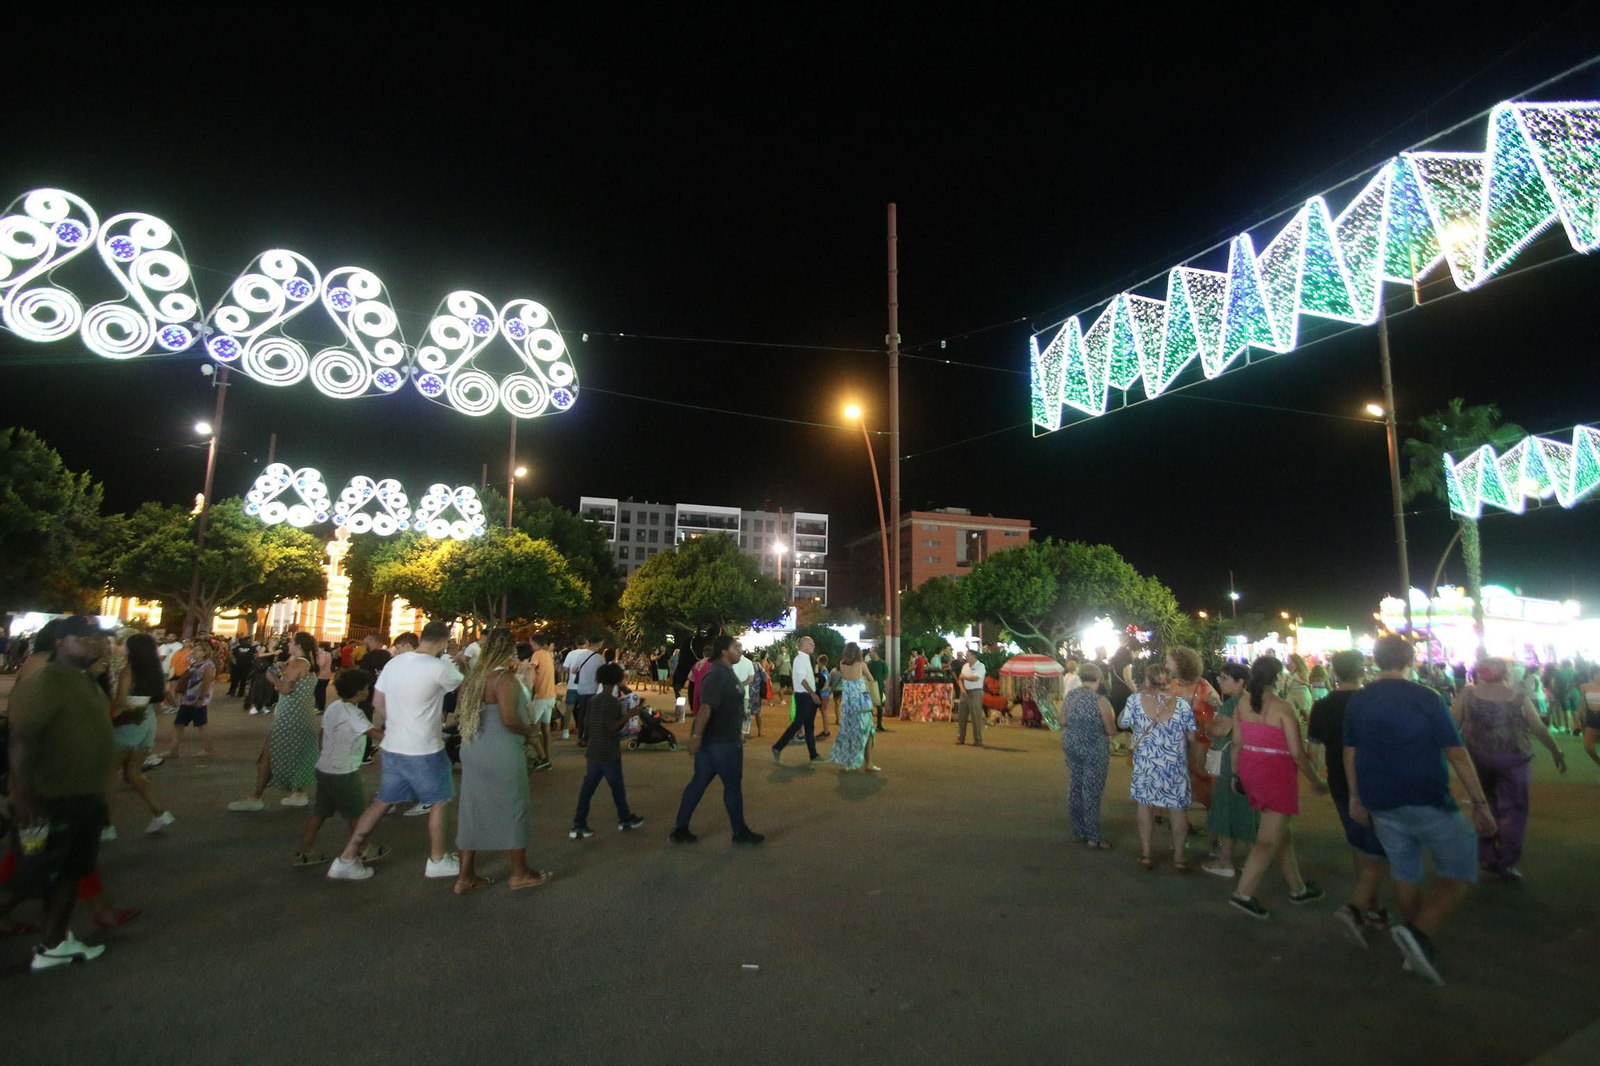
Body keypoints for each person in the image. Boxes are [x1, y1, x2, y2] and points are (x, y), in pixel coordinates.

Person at [1344, 635, 1497, 985]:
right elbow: (1456, 752)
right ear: (1410, 658)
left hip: (1379, 800)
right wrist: (1480, 803)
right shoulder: (1427, 698)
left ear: (1376, 659)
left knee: (1405, 869)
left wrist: (1356, 797)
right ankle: (1418, 933)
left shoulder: (1360, 700)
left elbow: (1349, 752)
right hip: (1426, 797)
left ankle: (1412, 945)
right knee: (1460, 866)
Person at [0, 616, 118, 969]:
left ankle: (53, 943)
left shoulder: (87, 682)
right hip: (51, 800)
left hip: (85, 798)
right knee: (30, 876)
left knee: (69, 874)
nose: (96, 644)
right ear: (59, 643)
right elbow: (21, 744)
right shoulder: (43, 684)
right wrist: (23, 797)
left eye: (98, 638)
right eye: (84, 638)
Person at [327, 621, 467, 881]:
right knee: (439, 799)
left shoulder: (395, 663)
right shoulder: (440, 668)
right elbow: (467, 688)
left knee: (383, 801)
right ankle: (437, 859)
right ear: (444, 642)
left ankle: (347, 857)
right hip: (424, 748)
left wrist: (397, 723)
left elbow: (378, 702)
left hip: (393, 745)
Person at [449, 628, 552, 892]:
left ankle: (465, 876)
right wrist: (531, 732)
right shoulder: (502, 679)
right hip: (501, 749)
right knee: (514, 806)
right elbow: (509, 719)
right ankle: (519, 872)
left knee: (472, 808)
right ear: (508, 650)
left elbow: (460, 713)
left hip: (474, 747)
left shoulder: (471, 679)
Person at [1229, 656, 1326, 918]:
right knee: (1268, 839)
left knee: (1281, 832)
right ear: (1278, 677)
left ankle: (1298, 888)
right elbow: (1297, 752)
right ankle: (1243, 894)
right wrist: (1316, 780)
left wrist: (1235, 775)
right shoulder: (1282, 707)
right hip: (1276, 773)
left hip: (1251, 768)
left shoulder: (1243, 703)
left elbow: (1237, 743)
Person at [1450, 657, 1565, 879]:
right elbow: (1539, 728)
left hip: (1477, 757)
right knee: (1514, 810)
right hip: (1514, 758)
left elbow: (1453, 724)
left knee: (1483, 802)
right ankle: (1507, 861)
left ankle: (1486, 854)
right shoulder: (1518, 696)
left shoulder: (1468, 693)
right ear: (1505, 673)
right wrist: (1556, 752)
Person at [1305, 650, 1391, 942]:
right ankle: (1364, 907)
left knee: (1359, 844)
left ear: (1333, 672)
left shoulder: (1322, 706)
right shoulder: (1372, 702)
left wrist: (1315, 779)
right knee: (1381, 848)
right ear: (1363, 671)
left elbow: (1312, 750)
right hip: (1376, 781)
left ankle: (1371, 906)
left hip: (1340, 782)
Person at [672, 636, 763, 845]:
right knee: (731, 786)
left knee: (699, 783)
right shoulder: (718, 674)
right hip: (722, 742)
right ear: (724, 651)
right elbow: (706, 707)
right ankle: (739, 833)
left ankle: (681, 829)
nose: (740, 650)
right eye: (736, 647)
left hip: (717, 741)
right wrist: (695, 736)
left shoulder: (724, 672)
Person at [293, 669, 387, 867]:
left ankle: (303, 851)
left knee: (319, 813)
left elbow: (322, 733)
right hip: (343, 771)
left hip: (325, 767)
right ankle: (362, 850)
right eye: (366, 688)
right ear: (359, 691)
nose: (368, 691)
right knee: (355, 814)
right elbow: (374, 734)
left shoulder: (334, 706)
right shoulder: (355, 714)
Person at [228, 632, 318, 810]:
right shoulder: (308, 663)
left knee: (267, 756)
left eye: (292, 642)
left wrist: (274, 679)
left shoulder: (297, 663)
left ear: (299, 645)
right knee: (297, 754)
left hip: (289, 717)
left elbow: (285, 689)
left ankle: (256, 796)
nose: (288, 645)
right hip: (302, 715)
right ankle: (298, 791)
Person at [1120, 663, 1197, 871]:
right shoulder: (1182, 704)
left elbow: (1123, 723)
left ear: (1147, 680)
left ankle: (1147, 854)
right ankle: (1179, 858)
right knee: (1178, 810)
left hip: (1146, 764)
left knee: (1145, 807)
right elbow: (1191, 735)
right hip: (1174, 764)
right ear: (1169, 681)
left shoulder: (1135, 701)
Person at [107, 634, 174, 838]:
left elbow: (119, 704)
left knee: (109, 777)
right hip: (148, 720)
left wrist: (106, 718)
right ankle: (159, 812)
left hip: (130, 722)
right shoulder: (155, 670)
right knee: (132, 773)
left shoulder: (129, 671)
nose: (120, 647)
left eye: (124, 644)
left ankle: (106, 825)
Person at [569, 661, 646, 841]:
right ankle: (624, 818)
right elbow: (611, 727)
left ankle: (579, 823)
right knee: (617, 786)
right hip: (608, 751)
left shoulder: (594, 701)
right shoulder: (612, 702)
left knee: (588, 789)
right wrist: (629, 715)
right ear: (618, 680)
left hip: (594, 750)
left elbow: (588, 722)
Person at [1202, 662, 1259, 878]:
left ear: (1241, 681)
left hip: (1231, 761)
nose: (1220, 681)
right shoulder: (1253, 701)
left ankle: (1225, 860)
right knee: (1246, 811)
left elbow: (1220, 729)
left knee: (1227, 808)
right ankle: (1253, 861)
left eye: (1225, 678)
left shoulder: (1232, 704)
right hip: (1251, 760)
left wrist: (1208, 726)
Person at [1061, 663, 1118, 847]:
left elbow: (1062, 720)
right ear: (1099, 679)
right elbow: (1111, 730)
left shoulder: (1071, 696)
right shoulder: (1101, 701)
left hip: (1072, 744)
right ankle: (1093, 836)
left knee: (1076, 786)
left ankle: (1078, 830)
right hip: (1094, 749)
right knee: (1091, 790)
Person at [1167, 647, 1220, 812]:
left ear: (1181, 664)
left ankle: (1212, 811)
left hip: (1199, 739)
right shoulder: (1172, 684)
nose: (1166, 665)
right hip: (1177, 737)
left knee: (1200, 772)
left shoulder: (1204, 688)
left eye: (1169, 662)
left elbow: (1219, 709)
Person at [827, 643, 879, 772]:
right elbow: (871, 679)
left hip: (848, 703)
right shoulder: (861, 665)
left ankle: (848, 762)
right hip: (862, 701)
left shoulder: (842, 665)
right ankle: (869, 762)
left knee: (848, 731)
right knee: (868, 731)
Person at [771, 635, 822, 765]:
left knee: (808, 725)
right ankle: (778, 747)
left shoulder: (806, 659)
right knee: (799, 724)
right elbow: (802, 680)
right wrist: (813, 694)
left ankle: (814, 755)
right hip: (804, 696)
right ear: (804, 645)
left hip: (807, 695)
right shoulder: (800, 659)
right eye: (811, 644)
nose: (813, 646)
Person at [163, 640, 217, 758]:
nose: (194, 652)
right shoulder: (194, 664)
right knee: (179, 724)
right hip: (187, 699)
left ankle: (209, 748)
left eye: (197, 650)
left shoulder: (208, 666)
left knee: (201, 725)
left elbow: (206, 684)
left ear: (204, 653)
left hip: (198, 700)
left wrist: (201, 698)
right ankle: (174, 750)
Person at [523, 635, 556, 772]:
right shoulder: (548, 655)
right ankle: (547, 759)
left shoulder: (536, 654)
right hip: (550, 696)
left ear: (534, 643)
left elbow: (531, 668)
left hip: (541, 696)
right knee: (545, 729)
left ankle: (541, 758)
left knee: (530, 728)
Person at [563, 636, 603, 744]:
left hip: (580, 688)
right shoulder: (599, 658)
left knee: (580, 713)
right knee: (590, 714)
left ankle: (579, 737)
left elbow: (574, 670)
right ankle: (587, 737)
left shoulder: (580, 655)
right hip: (593, 688)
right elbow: (601, 673)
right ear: (599, 645)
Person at [956, 649, 986, 746]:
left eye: (968, 655)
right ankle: (961, 738)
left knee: (976, 717)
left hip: (976, 692)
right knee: (961, 716)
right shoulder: (965, 666)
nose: (966, 657)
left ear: (974, 656)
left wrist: (964, 677)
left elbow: (975, 678)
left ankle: (978, 740)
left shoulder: (980, 666)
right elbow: (960, 679)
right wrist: (962, 689)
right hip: (965, 692)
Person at [866, 646, 890, 731]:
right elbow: (886, 675)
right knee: (871, 705)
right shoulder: (870, 663)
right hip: (872, 685)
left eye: (871, 652)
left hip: (878, 686)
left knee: (878, 704)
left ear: (875, 652)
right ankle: (873, 724)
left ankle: (879, 724)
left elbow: (886, 675)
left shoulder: (882, 663)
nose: (869, 653)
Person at [1582, 665, 1600, 769]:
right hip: (1591, 718)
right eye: (1597, 673)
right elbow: (1582, 704)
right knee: (1588, 747)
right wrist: (1578, 720)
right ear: (1593, 674)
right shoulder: (1584, 686)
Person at [814, 653, 833, 737]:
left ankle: (826, 731)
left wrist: (820, 690)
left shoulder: (824, 672)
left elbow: (826, 684)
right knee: (823, 712)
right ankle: (826, 730)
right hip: (824, 694)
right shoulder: (823, 671)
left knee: (824, 712)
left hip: (823, 694)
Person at [313, 642, 334, 711]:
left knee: (318, 692)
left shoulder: (322, 654)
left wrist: (316, 660)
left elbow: (321, 664)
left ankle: (318, 707)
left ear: (322, 648)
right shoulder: (329, 654)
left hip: (321, 675)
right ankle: (321, 707)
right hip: (327, 675)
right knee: (322, 692)